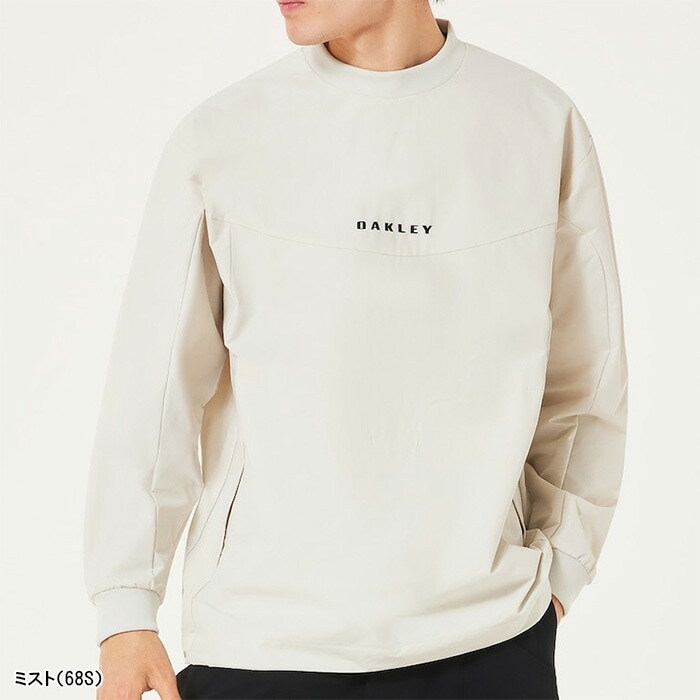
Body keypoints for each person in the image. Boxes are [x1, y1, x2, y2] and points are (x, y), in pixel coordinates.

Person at [83, 1, 629, 698]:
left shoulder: (537, 123)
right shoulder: (224, 136)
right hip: (263, 644)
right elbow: (154, 389)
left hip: (488, 640)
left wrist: (564, 568)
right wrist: (127, 609)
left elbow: (585, 381)